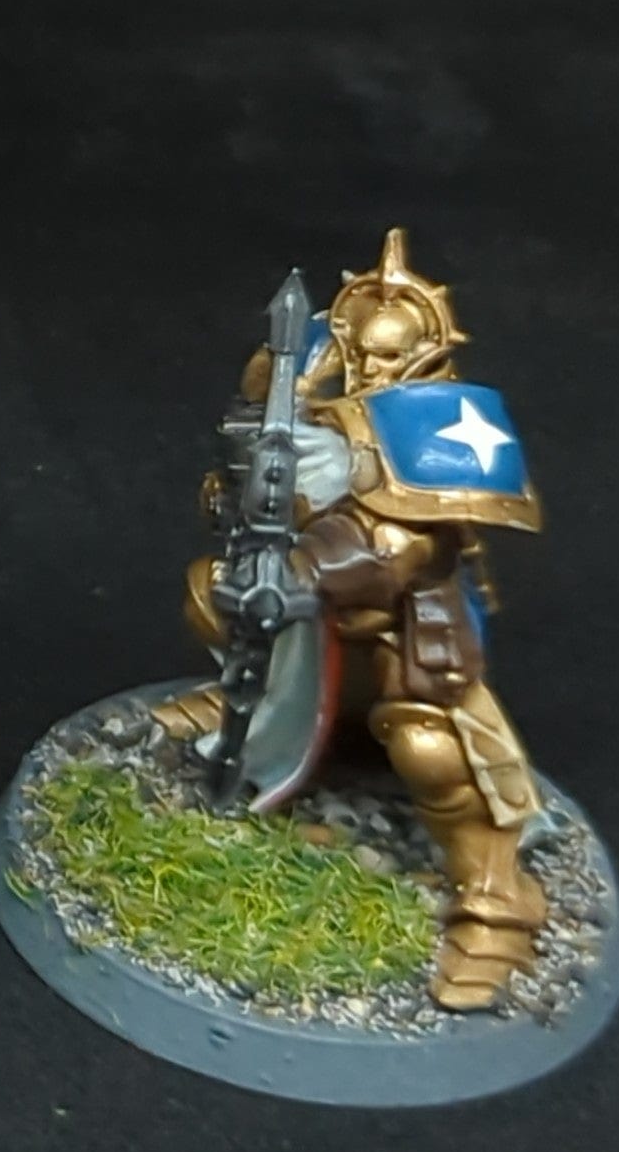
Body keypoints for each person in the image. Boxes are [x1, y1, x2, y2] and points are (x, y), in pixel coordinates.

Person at [150, 229, 548, 1011]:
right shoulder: (315, 405)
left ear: (423, 353)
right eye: (360, 352)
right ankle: (253, 707)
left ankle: (496, 897)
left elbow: (405, 550)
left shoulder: (442, 424)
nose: (370, 369)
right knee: (213, 592)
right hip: (311, 629)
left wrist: (309, 560)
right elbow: (248, 489)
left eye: (387, 357)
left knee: (433, 746)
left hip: (404, 628)